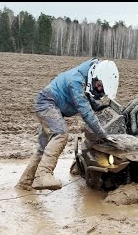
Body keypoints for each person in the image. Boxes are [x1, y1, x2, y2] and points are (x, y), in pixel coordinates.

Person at [16, 58, 119, 191]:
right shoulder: (76, 81)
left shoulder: (87, 76)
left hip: (51, 105)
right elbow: (85, 111)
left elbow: (88, 99)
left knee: (44, 148)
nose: (99, 89)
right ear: (95, 76)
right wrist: (102, 134)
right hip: (47, 103)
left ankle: (24, 183)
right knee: (60, 134)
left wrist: (100, 107)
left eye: (102, 88)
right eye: (99, 85)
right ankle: (44, 175)